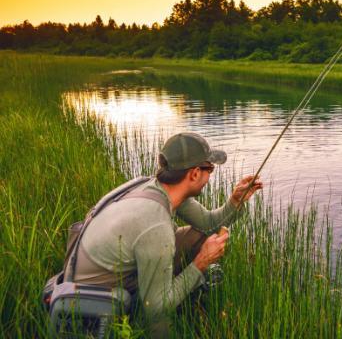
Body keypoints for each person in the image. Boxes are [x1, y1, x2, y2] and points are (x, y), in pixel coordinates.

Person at [65, 132, 263, 337]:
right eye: (209, 169)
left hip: (106, 269)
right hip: (98, 297)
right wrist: (202, 262)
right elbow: (156, 306)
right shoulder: (156, 225)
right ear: (194, 173)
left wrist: (236, 201)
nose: (210, 176)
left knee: (199, 236)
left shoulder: (157, 187)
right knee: (160, 312)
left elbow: (208, 225)